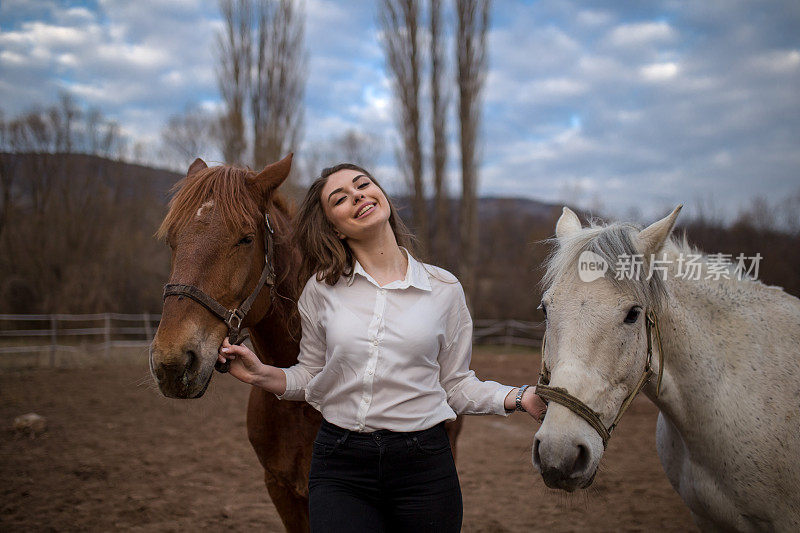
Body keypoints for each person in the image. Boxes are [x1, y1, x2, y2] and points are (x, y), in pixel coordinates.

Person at [217, 163, 547, 532]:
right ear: (334, 228)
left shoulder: (444, 288)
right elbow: (311, 378)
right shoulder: (320, 291)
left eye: (363, 185)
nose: (356, 195)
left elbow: (455, 386)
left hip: (424, 469)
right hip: (341, 467)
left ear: (381, 196)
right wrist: (263, 374)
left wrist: (521, 397)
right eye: (339, 198)